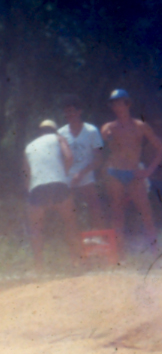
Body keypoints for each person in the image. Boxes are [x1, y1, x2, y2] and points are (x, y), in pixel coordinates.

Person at [100, 89, 160, 250]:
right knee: (117, 213)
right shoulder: (108, 127)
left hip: (134, 172)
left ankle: (155, 252)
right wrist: (106, 135)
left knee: (145, 211)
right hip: (115, 172)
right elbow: (103, 145)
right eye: (114, 104)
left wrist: (149, 170)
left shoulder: (141, 126)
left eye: (120, 103)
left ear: (128, 104)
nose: (117, 106)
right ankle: (119, 253)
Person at [23, 120, 80, 269]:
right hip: (58, 184)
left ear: (40, 132)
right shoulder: (58, 138)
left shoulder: (29, 147)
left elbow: (27, 174)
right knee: (70, 223)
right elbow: (69, 157)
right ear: (55, 131)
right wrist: (64, 173)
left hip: (37, 187)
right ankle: (75, 261)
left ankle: (39, 266)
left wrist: (30, 192)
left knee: (35, 228)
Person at [58, 95, 106, 230]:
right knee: (69, 212)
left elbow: (99, 159)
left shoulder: (91, 131)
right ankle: (74, 242)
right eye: (66, 111)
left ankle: (100, 238)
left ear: (80, 111)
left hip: (86, 177)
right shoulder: (61, 133)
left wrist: (81, 173)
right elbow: (60, 159)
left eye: (72, 111)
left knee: (95, 208)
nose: (69, 114)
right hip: (68, 179)